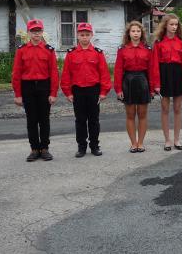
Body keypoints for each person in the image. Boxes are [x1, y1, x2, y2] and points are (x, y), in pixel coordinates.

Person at [61, 22, 112, 157]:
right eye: (82, 35)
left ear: (91, 35)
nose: (84, 37)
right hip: (78, 91)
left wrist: (103, 92)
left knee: (94, 120)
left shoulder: (97, 53)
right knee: (80, 120)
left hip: (93, 90)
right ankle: (81, 147)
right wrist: (68, 92)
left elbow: (104, 73)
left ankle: (94, 146)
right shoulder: (71, 54)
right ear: (77, 35)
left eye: (87, 34)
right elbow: (66, 74)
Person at [12, 19, 59, 162]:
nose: (36, 34)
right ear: (28, 33)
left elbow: (54, 73)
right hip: (28, 87)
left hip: (44, 86)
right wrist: (18, 94)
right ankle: (34, 149)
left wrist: (53, 93)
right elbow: (16, 73)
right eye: (33, 31)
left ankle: (44, 148)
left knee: (44, 119)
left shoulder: (49, 50)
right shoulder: (21, 50)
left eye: (38, 31)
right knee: (31, 120)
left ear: (42, 32)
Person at [150, 14, 182, 151]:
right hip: (164, 75)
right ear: (165, 25)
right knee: (165, 109)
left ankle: (177, 139)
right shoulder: (158, 42)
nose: (174, 27)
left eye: (176, 24)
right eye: (171, 24)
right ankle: (167, 140)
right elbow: (155, 64)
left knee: (177, 109)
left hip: (178, 75)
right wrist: (156, 84)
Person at [114, 21, 152, 153]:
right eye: (133, 31)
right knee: (130, 115)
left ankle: (140, 143)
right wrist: (118, 89)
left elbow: (152, 69)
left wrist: (152, 88)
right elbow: (118, 70)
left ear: (142, 33)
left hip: (143, 81)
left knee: (142, 114)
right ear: (128, 33)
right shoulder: (122, 49)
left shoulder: (148, 49)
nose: (136, 33)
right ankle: (133, 143)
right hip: (128, 82)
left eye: (138, 31)